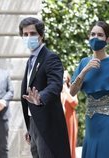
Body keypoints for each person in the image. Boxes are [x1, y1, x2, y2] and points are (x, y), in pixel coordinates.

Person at [70, 21, 109, 158]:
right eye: (92, 34)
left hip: (108, 121)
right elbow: (72, 92)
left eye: (100, 35)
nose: (95, 37)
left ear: (108, 39)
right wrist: (84, 71)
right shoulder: (83, 62)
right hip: (91, 121)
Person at [19, 17, 71, 158]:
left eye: (33, 33)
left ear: (41, 35)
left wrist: (40, 97)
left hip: (49, 125)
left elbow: (55, 85)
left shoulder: (50, 58)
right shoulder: (30, 60)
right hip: (34, 124)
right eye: (25, 34)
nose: (29, 37)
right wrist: (30, 127)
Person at [61, 70, 78, 158]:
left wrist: (66, 91)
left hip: (70, 120)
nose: (63, 80)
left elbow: (74, 103)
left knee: (70, 142)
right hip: (60, 121)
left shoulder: (71, 90)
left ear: (67, 79)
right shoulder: (56, 90)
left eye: (64, 78)